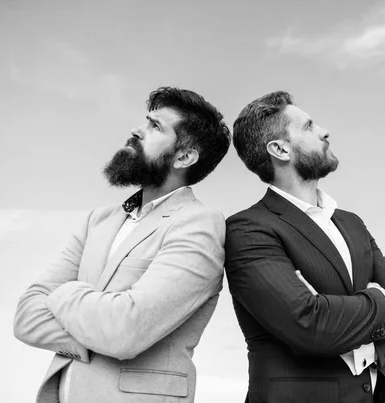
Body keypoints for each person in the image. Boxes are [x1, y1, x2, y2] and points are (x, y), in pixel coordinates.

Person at [13, 87, 231, 403]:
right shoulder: (98, 221)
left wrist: (64, 292)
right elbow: (26, 318)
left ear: (184, 156)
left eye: (156, 127)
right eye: (146, 122)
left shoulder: (199, 224)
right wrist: (95, 334)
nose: (136, 130)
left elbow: (125, 332)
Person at [225, 91, 385, 403]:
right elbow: (309, 324)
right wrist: (377, 299)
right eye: (308, 126)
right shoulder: (248, 229)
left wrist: (363, 348)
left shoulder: (351, 223)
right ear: (280, 149)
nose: (324, 131)